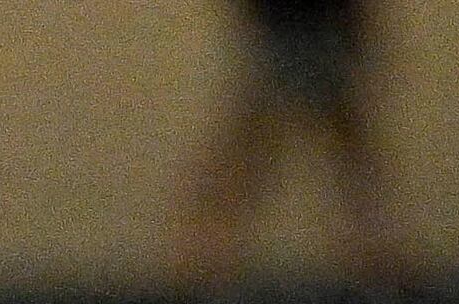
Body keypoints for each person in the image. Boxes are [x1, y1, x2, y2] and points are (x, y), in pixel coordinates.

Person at [170, 0, 405, 285]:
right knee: (257, 151)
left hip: (305, 30)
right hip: (298, 30)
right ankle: (203, 257)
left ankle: (203, 257)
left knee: (259, 151)